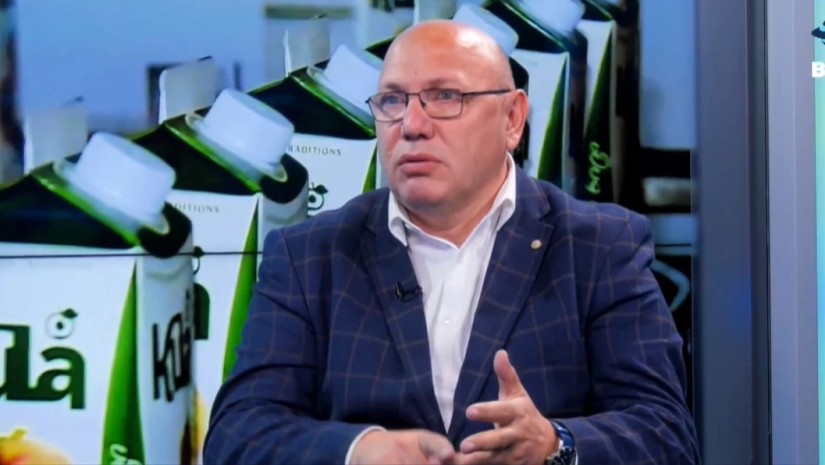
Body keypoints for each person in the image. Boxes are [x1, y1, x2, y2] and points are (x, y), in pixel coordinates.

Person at [203, 19, 700, 465]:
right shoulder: (309, 255)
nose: (412, 126)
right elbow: (238, 434)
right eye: (392, 101)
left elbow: (667, 436)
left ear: (512, 118)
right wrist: (358, 450)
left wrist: (555, 445)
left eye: (445, 97)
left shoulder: (598, 246)